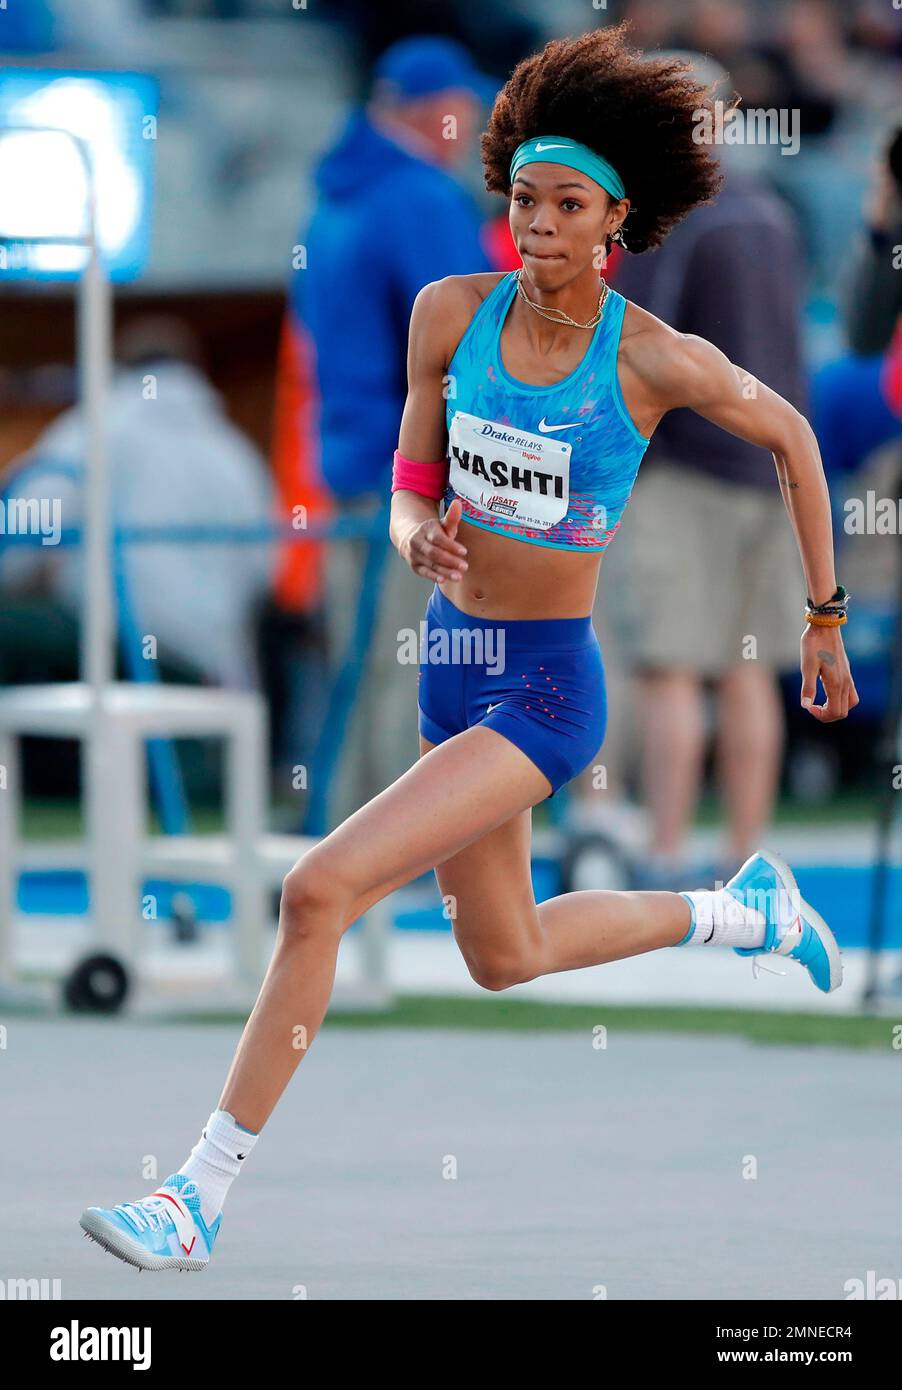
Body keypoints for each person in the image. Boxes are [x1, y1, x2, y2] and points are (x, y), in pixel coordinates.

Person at [79, 26, 857, 1273]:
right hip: (451, 655)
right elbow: (405, 479)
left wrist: (820, 618)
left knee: (318, 888)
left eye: (566, 206)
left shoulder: (654, 357)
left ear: (617, 217)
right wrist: (412, 532)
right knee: (507, 952)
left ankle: (196, 1193)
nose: (538, 224)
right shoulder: (449, 314)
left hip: (544, 687)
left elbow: (795, 443)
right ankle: (735, 912)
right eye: (522, 199)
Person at [576, 55, 810, 889]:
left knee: (669, 666)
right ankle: (744, 856)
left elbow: (642, 348)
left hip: (683, 473)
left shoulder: (680, 222)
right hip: (767, 469)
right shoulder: (774, 216)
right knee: (746, 671)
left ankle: (666, 854)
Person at [295, 35, 495, 826]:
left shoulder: (335, 197)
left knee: (367, 659)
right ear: (433, 112)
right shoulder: (419, 199)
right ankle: (406, 846)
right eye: (465, 108)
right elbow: (469, 341)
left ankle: (351, 838)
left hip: (348, 456)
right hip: (413, 467)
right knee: (421, 661)